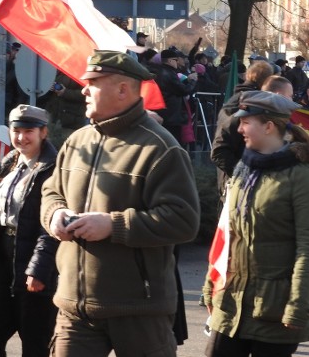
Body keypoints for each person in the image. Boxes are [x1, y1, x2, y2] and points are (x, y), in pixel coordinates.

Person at [40, 50, 200, 357]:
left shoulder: (161, 147)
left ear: (123, 90)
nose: (83, 89)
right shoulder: (77, 142)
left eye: (93, 82)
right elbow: (51, 191)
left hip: (139, 309)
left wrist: (112, 225)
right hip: (75, 306)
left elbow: (183, 219)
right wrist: (55, 214)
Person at [203, 91, 309, 357]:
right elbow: (227, 233)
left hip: (274, 307)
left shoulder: (302, 175)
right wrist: (210, 283)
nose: (239, 129)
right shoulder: (243, 168)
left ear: (269, 126)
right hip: (231, 302)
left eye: (246, 122)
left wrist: (298, 303)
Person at [0, 105, 59, 357]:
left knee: (36, 340)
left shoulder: (53, 168)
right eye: (16, 130)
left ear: (44, 132)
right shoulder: (9, 162)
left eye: (28, 131)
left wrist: (39, 269)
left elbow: (50, 224)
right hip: (4, 260)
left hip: (37, 263)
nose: (21, 137)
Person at [211, 59, 275, 184]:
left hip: (233, 178)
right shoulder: (246, 104)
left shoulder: (239, 100)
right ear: (267, 81)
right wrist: (245, 176)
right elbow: (219, 151)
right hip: (237, 183)